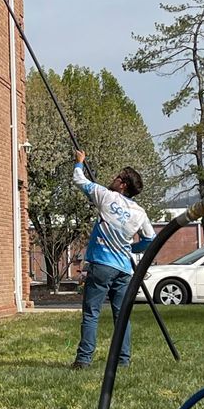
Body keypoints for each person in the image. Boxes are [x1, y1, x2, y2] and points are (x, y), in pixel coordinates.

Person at [71, 149, 155, 369]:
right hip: (124, 270)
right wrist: (132, 247)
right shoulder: (139, 212)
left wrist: (80, 162)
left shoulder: (106, 196)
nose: (113, 179)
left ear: (123, 185)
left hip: (101, 266)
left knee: (91, 313)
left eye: (117, 177)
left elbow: (79, 180)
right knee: (122, 316)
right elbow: (150, 239)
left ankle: (84, 359)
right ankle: (123, 360)